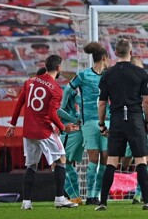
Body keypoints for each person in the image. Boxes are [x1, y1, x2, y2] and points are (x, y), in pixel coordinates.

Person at [6, 56, 80, 210]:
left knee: (31, 166)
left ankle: (26, 202)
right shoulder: (56, 88)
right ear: (58, 68)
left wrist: (12, 125)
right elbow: (52, 114)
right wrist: (63, 127)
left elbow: (19, 103)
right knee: (61, 159)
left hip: (28, 131)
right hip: (44, 130)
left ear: (46, 66)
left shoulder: (30, 81)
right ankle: (59, 199)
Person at [96, 39, 148, 211]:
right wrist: (147, 121)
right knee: (141, 161)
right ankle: (147, 202)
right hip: (135, 118)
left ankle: (102, 203)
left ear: (115, 52)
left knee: (111, 161)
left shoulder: (107, 74)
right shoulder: (141, 73)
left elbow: (102, 103)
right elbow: (147, 101)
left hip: (116, 120)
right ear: (131, 53)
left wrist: (102, 125)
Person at [66, 42, 110, 205]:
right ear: (104, 58)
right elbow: (68, 90)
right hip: (89, 121)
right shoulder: (84, 75)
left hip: (107, 120)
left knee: (105, 158)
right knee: (94, 157)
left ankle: (97, 195)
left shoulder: (109, 76)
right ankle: (90, 195)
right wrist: (68, 108)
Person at [57, 75, 84, 205]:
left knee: (58, 164)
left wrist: (74, 119)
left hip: (70, 130)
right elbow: (80, 101)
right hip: (77, 131)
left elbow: (59, 111)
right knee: (68, 164)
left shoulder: (61, 90)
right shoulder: (72, 92)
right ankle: (76, 196)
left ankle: (73, 196)